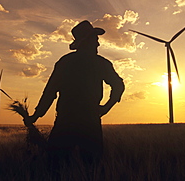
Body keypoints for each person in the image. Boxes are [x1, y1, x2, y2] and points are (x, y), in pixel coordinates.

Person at [26, 20, 124, 163]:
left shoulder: (65, 62)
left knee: (55, 166)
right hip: (90, 122)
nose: (98, 44)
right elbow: (118, 85)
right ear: (87, 41)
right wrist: (106, 108)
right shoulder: (101, 63)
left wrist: (35, 116)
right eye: (95, 39)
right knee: (92, 167)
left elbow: (49, 93)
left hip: (65, 122)